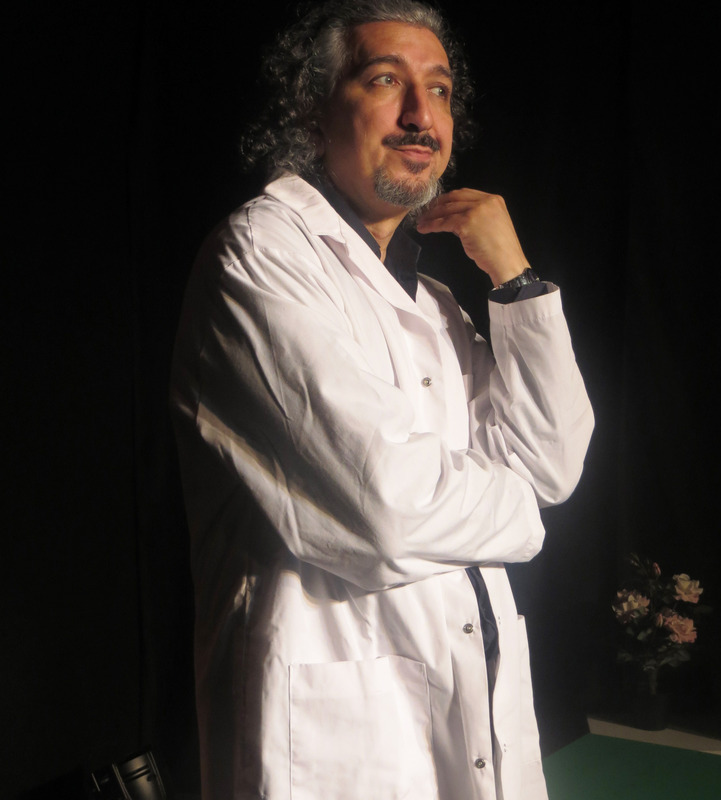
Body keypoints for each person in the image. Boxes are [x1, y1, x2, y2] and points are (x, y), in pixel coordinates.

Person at [170, 1, 594, 798]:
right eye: (385, 81)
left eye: (439, 90)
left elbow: (553, 461)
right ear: (311, 110)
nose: (420, 116)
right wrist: (523, 516)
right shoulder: (258, 254)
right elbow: (385, 509)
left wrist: (515, 279)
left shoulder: (436, 302)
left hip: (466, 704)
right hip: (336, 743)